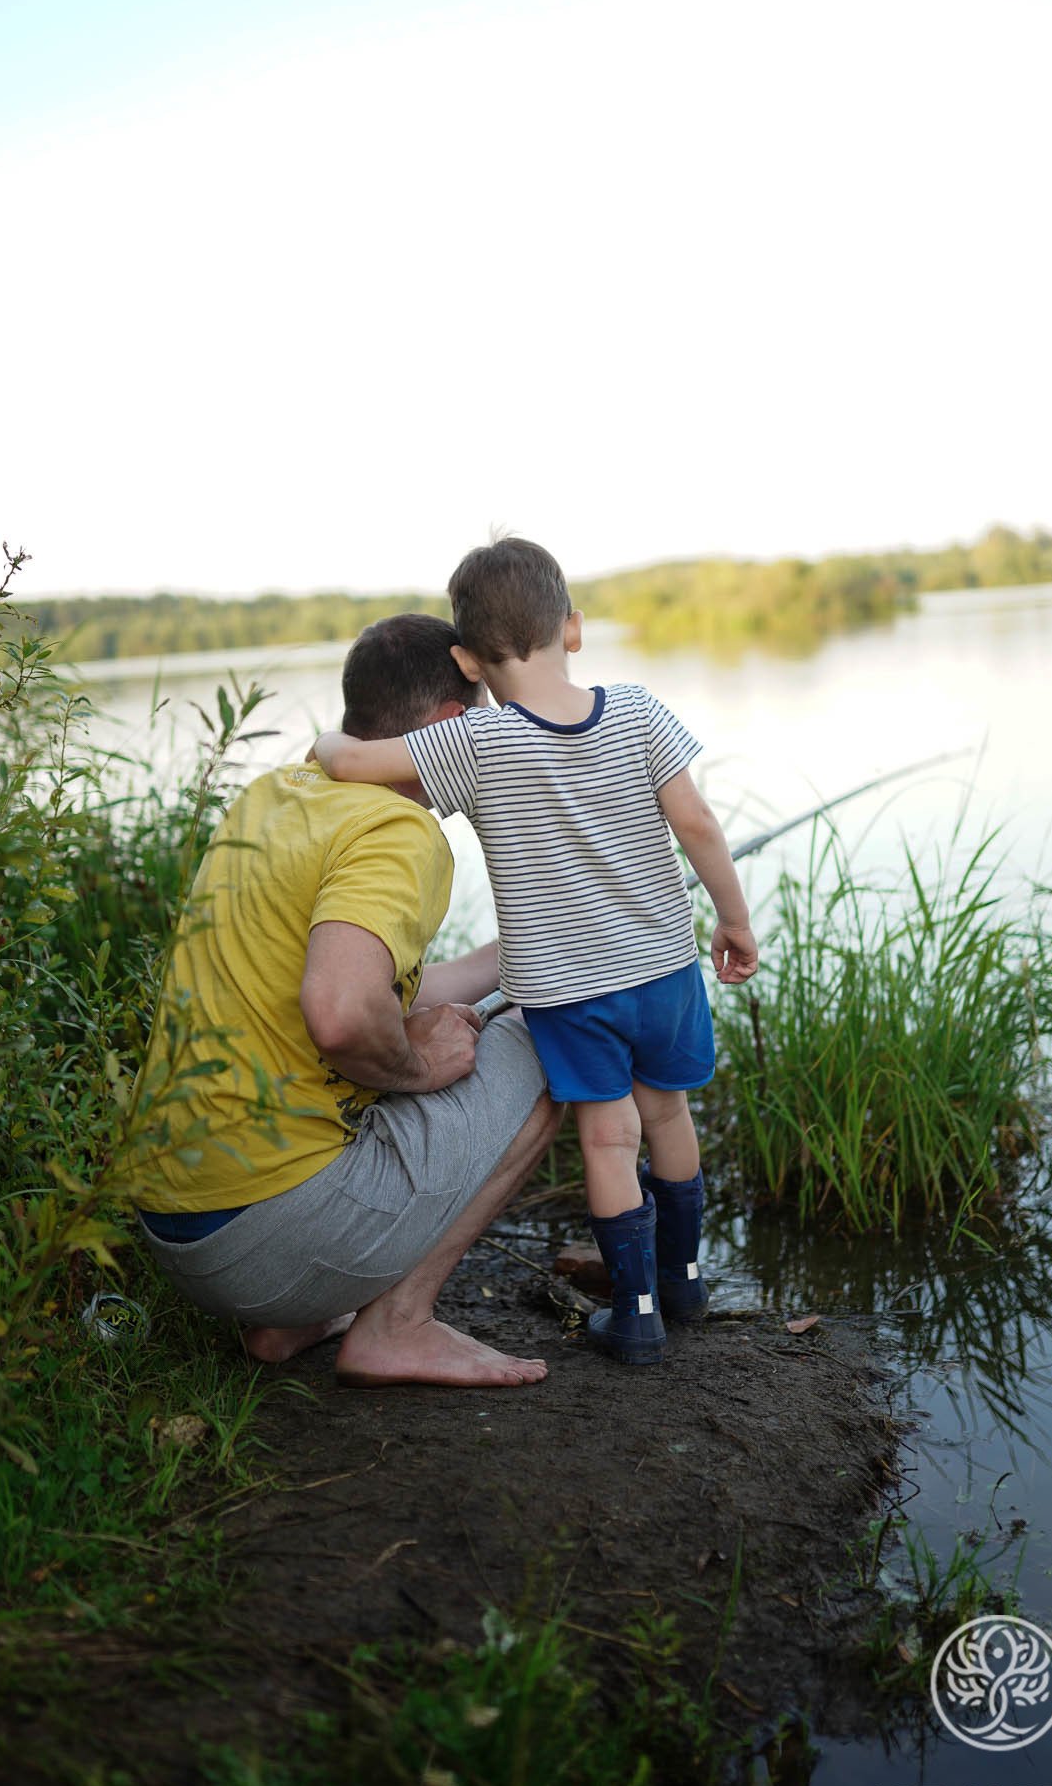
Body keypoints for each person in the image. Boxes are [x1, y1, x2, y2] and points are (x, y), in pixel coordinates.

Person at [313, 539, 759, 1367]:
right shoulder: (636, 711)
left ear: (467, 661)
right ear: (574, 628)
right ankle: (686, 1281)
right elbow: (695, 822)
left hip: (570, 994)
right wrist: (733, 920)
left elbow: (357, 762)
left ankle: (636, 1317)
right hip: (664, 968)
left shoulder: (475, 743)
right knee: (669, 1113)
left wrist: (323, 748)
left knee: (606, 1137)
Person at [126, 613, 559, 1388]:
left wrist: (524, 950)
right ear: (450, 728)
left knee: (501, 1009)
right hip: (268, 1234)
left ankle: (292, 1319)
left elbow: (356, 982)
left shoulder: (275, 793)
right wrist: (417, 1064)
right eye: (484, 731)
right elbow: (339, 1010)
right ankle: (396, 1326)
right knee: (553, 1037)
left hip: (179, 1228)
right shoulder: (397, 829)